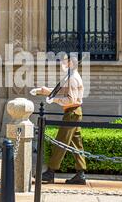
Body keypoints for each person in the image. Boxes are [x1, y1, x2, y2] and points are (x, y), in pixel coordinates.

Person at [32, 55, 87, 185]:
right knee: (76, 144)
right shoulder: (71, 76)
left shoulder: (72, 78)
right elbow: (62, 91)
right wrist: (45, 91)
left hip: (72, 112)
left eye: (65, 61)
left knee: (60, 142)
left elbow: (70, 99)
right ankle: (80, 173)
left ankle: (50, 172)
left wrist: (53, 99)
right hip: (74, 112)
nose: (62, 63)